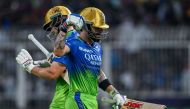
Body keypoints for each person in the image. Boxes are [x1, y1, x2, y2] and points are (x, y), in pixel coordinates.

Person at [16, 7, 126, 109]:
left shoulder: (94, 47)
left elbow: (96, 73)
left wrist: (114, 93)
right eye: (97, 28)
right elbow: (58, 56)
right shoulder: (73, 42)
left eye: (52, 26)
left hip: (85, 100)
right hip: (75, 99)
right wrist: (39, 64)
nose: (51, 31)